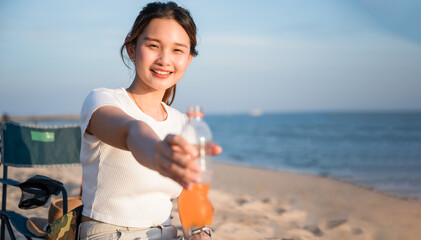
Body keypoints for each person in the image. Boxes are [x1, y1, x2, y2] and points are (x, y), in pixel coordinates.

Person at [79, 2, 221, 240]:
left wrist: (199, 230)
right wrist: (156, 153)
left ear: (188, 59)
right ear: (132, 50)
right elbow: (131, 131)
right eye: (153, 46)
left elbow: (191, 195)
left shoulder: (184, 123)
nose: (165, 59)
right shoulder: (102, 101)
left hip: (168, 233)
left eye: (177, 50)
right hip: (109, 233)